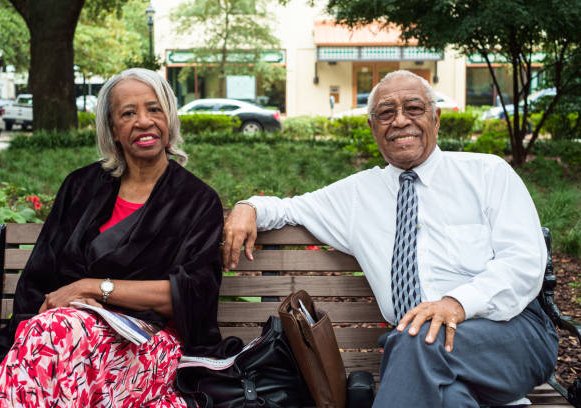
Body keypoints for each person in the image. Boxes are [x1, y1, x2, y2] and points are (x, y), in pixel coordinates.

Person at [222, 70, 559, 407]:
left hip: (512, 334)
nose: (400, 121)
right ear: (373, 127)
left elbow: (524, 261)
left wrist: (455, 304)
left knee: (415, 340)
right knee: (444, 392)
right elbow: (288, 209)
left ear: (436, 118)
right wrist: (246, 206)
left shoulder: (487, 173)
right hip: (420, 354)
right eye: (386, 112)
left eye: (413, 108)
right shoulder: (358, 195)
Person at [0, 68, 232, 408]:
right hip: (61, 338)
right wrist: (44, 320)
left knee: (54, 339)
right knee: (53, 337)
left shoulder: (197, 201)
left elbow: (192, 293)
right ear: (112, 128)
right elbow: (40, 276)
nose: (144, 121)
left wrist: (91, 287)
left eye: (154, 109)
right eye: (128, 113)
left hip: (148, 345)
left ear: (168, 116)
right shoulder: (80, 187)